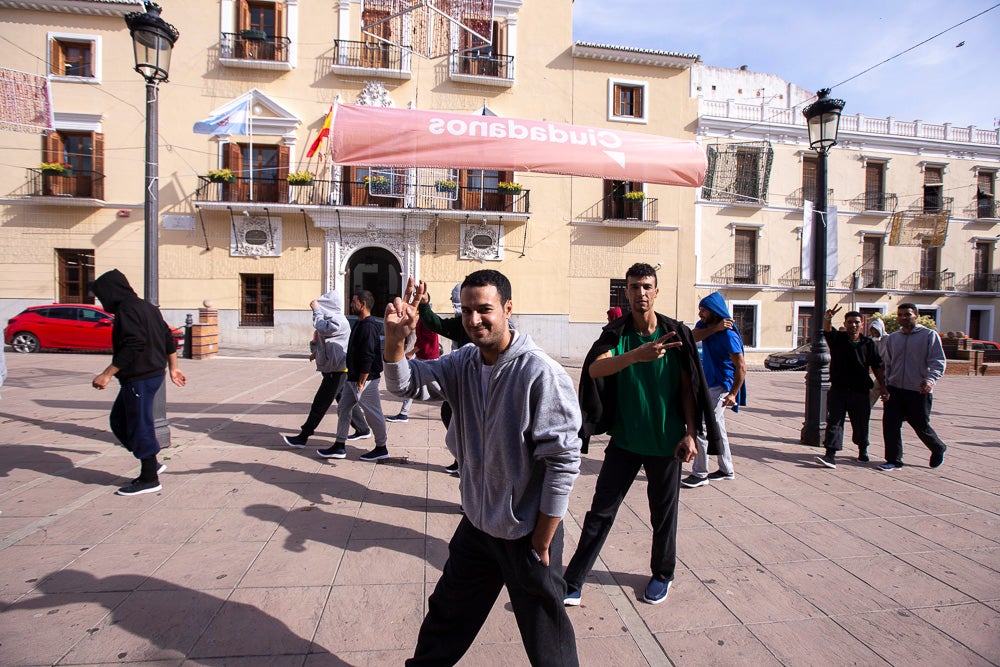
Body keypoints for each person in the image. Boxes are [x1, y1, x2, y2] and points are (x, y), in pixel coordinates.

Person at [383, 270, 582, 666]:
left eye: (485, 310)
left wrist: (542, 540)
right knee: (445, 619)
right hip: (477, 525)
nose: (474, 320)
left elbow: (562, 462)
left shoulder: (540, 373)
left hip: (527, 532)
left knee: (548, 643)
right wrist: (394, 341)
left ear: (508, 309)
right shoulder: (463, 363)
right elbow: (406, 385)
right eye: (467, 311)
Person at [566, 262, 720, 606]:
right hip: (624, 442)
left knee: (663, 516)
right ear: (626, 292)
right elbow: (595, 368)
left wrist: (690, 433)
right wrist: (637, 355)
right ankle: (573, 580)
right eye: (634, 287)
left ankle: (662, 574)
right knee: (599, 513)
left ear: (656, 291)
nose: (641, 293)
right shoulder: (617, 333)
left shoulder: (675, 333)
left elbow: (689, 387)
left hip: (666, 444)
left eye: (647, 286)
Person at [90, 269, 186, 496]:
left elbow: (134, 344)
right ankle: (151, 462)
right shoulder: (147, 307)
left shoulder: (127, 310)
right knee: (119, 420)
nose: (102, 301)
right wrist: (173, 367)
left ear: (110, 292)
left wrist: (107, 374)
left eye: (102, 296)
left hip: (140, 376)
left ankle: (149, 477)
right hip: (149, 374)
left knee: (139, 425)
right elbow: (167, 337)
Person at [282, 291, 369, 448]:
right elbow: (328, 342)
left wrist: (316, 310)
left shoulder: (338, 321)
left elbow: (322, 328)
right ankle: (362, 429)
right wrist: (317, 353)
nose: (351, 304)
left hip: (338, 371)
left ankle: (304, 436)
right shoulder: (334, 319)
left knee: (320, 403)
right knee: (345, 401)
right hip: (337, 368)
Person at [681, 291, 746, 487]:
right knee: (718, 427)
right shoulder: (706, 326)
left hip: (723, 385)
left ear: (714, 311)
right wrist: (715, 328)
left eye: (703, 310)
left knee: (702, 425)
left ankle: (700, 473)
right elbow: (691, 337)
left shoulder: (729, 335)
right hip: (709, 384)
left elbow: (741, 367)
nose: (700, 313)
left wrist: (733, 393)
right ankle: (727, 469)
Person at [316, 290, 389, 462]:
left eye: (354, 301)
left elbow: (368, 355)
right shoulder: (360, 323)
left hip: (366, 380)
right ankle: (339, 445)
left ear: (362, 304)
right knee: (343, 408)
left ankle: (381, 447)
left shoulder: (369, 326)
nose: (351, 304)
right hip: (353, 378)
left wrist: (362, 382)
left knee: (373, 414)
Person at [815, 306, 887, 468]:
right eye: (849, 322)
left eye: (856, 322)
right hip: (839, 389)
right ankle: (830, 454)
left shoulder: (868, 343)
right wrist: (827, 318)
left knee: (861, 422)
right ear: (845, 324)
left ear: (862, 324)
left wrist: (883, 386)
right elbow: (827, 330)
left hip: (860, 391)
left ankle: (863, 450)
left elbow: (877, 366)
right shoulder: (838, 339)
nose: (853, 325)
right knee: (834, 421)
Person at [879, 303, 948, 471]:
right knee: (890, 425)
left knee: (920, 425)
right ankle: (893, 460)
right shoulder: (893, 338)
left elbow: (938, 362)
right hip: (895, 389)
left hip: (918, 390)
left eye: (907, 314)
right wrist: (885, 386)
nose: (903, 318)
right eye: (900, 314)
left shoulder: (929, 336)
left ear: (916, 316)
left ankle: (938, 447)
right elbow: (887, 363)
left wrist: (930, 380)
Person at [415, 280, 470, 475]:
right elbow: (437, 324)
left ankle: (468, 464)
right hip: (461, 381)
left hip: (481, 386)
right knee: (449, 414)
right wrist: (424, 305)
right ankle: (461, 459)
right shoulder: (461, 323)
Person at [387, 321, 440, 422]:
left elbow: (426, 340)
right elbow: (420, 339)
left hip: (429, 357)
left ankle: (454, 408)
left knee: (440, 385)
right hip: (422, 356)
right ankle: (403, 413)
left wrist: (411, 352)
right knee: (411, 382)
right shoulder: (421, 320)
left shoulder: (427, 320)